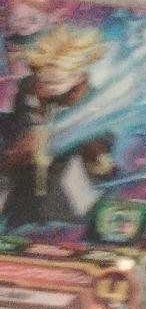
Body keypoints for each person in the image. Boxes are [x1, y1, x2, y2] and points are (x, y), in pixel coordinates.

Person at [0, 26, 115, 234]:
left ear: (77, 77)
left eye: (57, 82)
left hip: (69, 182)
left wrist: (93, 152)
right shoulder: (29, 90)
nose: (49, 86)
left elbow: (104, 139)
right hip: (25, 179)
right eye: (44, 80)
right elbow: (20, 125)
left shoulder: (91, 101)